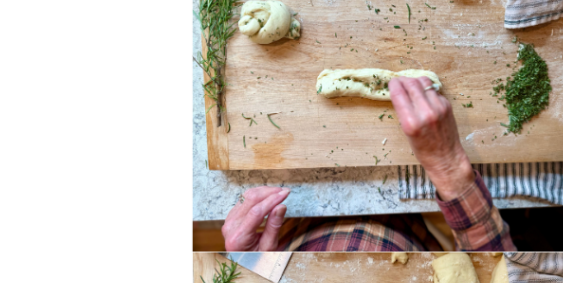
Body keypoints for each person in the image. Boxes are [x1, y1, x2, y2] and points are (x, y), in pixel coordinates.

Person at [221, 77, 517, 253]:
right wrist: (450, 168)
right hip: (414, 238)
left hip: (293, 237)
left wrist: (251, 267)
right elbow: (502, 277)